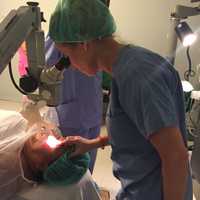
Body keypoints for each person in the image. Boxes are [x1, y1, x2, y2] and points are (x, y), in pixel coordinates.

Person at [48, 0, 193, 199]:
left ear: (83, 44)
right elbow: (142, 129)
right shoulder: (129, 64)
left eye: (67, 56)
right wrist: (92, 143)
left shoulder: (136, 76)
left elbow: (175, 157)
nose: (70, 65)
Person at [0, 106, 100, 200]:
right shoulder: (16, 124)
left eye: (54, 142)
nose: (50, 135)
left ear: (42, 165)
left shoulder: (7, 171)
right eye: (59, 137)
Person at [45, 37, 102, 174]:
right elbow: (46, 73)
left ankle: (84, 189)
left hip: (89, 110)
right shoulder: (60, 34)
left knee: (85, 166)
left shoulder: (95, 35)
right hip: (73, 115)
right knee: (71, 170)